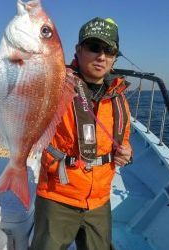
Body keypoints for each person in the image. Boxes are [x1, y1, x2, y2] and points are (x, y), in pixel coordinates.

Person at [30, 17, 133, 250]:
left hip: (99, 201)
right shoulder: (56, 85)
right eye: (94, 47)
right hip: (57, 197)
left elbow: (123, 138)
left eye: (109, 50)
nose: (102, 56)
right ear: (78, 50)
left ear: (115, 56)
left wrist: (125, 152)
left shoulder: (119, 97)